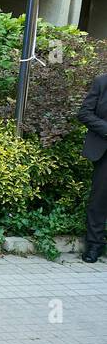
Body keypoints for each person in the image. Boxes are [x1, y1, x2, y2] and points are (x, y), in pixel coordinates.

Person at [77, 70, 107, 263]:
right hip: (105, 151)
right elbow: (84, 113)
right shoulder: (102, 82)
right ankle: (94, 245)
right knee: (99, 200)